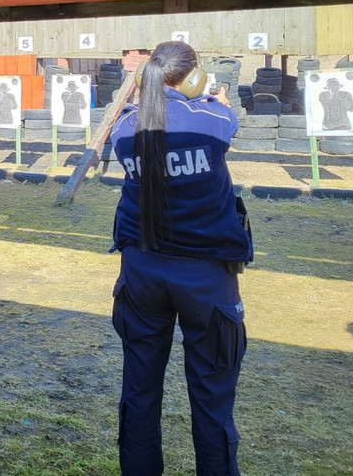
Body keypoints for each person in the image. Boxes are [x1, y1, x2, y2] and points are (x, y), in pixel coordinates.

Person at [109, 40, 252, 475]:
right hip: (205, 278)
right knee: (211, 400)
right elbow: (227, 123)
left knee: (139, 391)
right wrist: (214, 97)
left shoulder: (124, 130)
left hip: (142, 273)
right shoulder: (212, 117)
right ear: (192, 78)